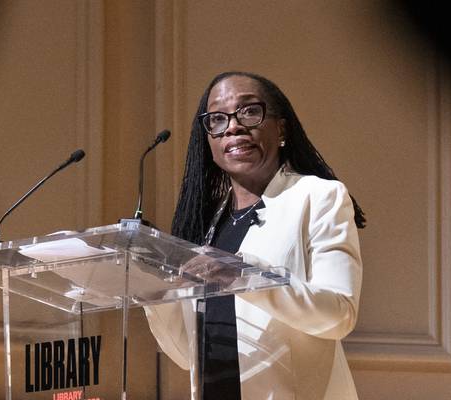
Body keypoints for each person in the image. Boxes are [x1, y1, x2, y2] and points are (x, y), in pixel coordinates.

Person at [146, 72, 366, 400]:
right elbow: (186, 356)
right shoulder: (209, 223)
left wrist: (244, 275)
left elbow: (338, 315)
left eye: (249, 111)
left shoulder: (318, 197)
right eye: (217, 119)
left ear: (281, 129)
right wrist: (155, 293)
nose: (233, 126)